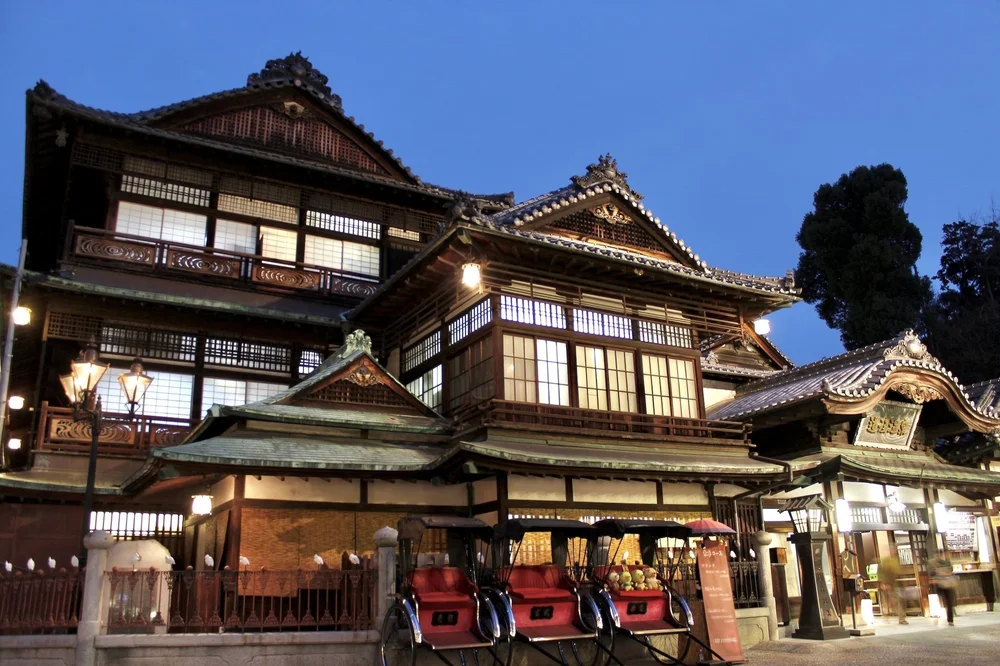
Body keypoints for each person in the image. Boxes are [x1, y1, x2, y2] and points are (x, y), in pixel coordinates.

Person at [877, 555, 908, 624]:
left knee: (896, 601)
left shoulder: (894, 562)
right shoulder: (884, 564)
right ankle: (900, 618)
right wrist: (884, 583)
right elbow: (882, 575)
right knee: (894, 601)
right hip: (889, 585)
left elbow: (897, 573)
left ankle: (899, 617)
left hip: (894, 584)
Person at [929, 555, 958, 626]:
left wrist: (942, 574)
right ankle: (948, 619)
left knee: (948, 603)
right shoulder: (933, 564)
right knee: (946, 602)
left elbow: (951, 571)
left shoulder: (946, 563)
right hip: (941, 585)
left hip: (946, 585)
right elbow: (932, 575)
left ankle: (950, 620)